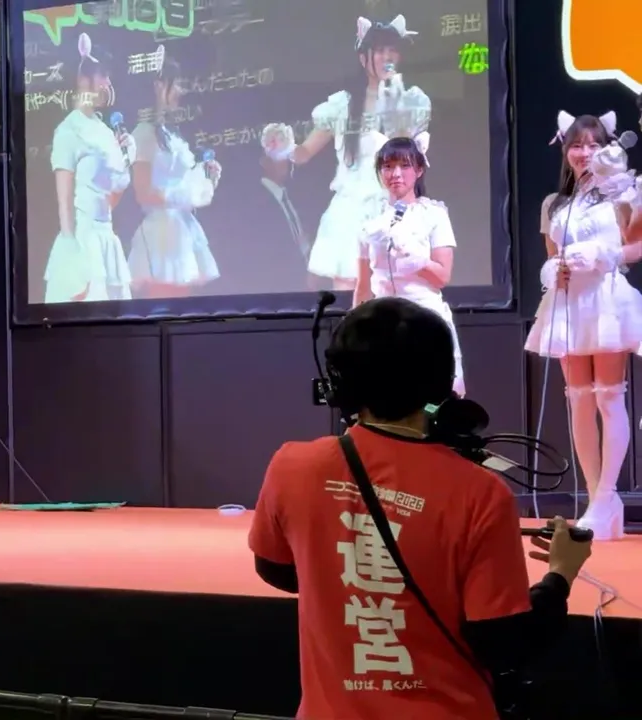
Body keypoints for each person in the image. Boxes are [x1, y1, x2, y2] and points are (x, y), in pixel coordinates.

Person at [249, 297, 590, 720]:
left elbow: (277, 569)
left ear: (340, 383)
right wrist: (560, 573)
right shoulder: (480, 493)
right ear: (443, 385)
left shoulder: (292, 465)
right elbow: (504, 641)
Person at [525, 111, 642, 541]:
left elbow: (636, 245)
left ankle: (607, 495)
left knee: (609, 397)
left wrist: (602, 255)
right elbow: (550, 254)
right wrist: (553, 269)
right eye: (577, 144)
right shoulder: (554, 204)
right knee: (578, 401)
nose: (585, 152)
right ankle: (597, 499)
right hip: (569, 303)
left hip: (606, 299)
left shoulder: (623, 192)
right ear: (565, 150)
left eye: (594, 144)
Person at [260, 14, 430, 290]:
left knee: (392, 293)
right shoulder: (343, 105)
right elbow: (304, 153)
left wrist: (398, 109)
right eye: (380, 50)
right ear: (363, 58)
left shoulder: (410, 102)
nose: (387, 56)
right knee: (350, 292)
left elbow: (408, 157)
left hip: (392, 209)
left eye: (392, 50)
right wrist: (283, 148)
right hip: (350, 212)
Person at [354, 134, 465, 396]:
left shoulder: (433, 215)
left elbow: (442, 276)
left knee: (435, 397)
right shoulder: (371, 221)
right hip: (383, 321)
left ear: (419, 170)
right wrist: (354, 329)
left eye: (404, 166)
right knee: (390, 397)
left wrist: (414, 257)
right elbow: (363, 285)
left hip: (426, 318)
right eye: (387, 166)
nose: (395, 174)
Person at [43, 31, 135, 303]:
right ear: (84, 79)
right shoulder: (68, 130)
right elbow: (64, 202)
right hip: (82, 240)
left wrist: (127, 157)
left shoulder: (105, 130)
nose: (108, 83)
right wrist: (74, 260)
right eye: (103, 75)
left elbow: (111, 200)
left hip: (107, 237)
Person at [126, 55, 220, 298]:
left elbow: (180, 181)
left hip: (181, 228)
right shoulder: (143, 133)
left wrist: (204, 179)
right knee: (166, 301)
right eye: (175, 83)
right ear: (158, 86)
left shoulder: (169, 133)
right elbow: (143, 193)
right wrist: (183, 195)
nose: (180, 90)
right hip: (161, 234)